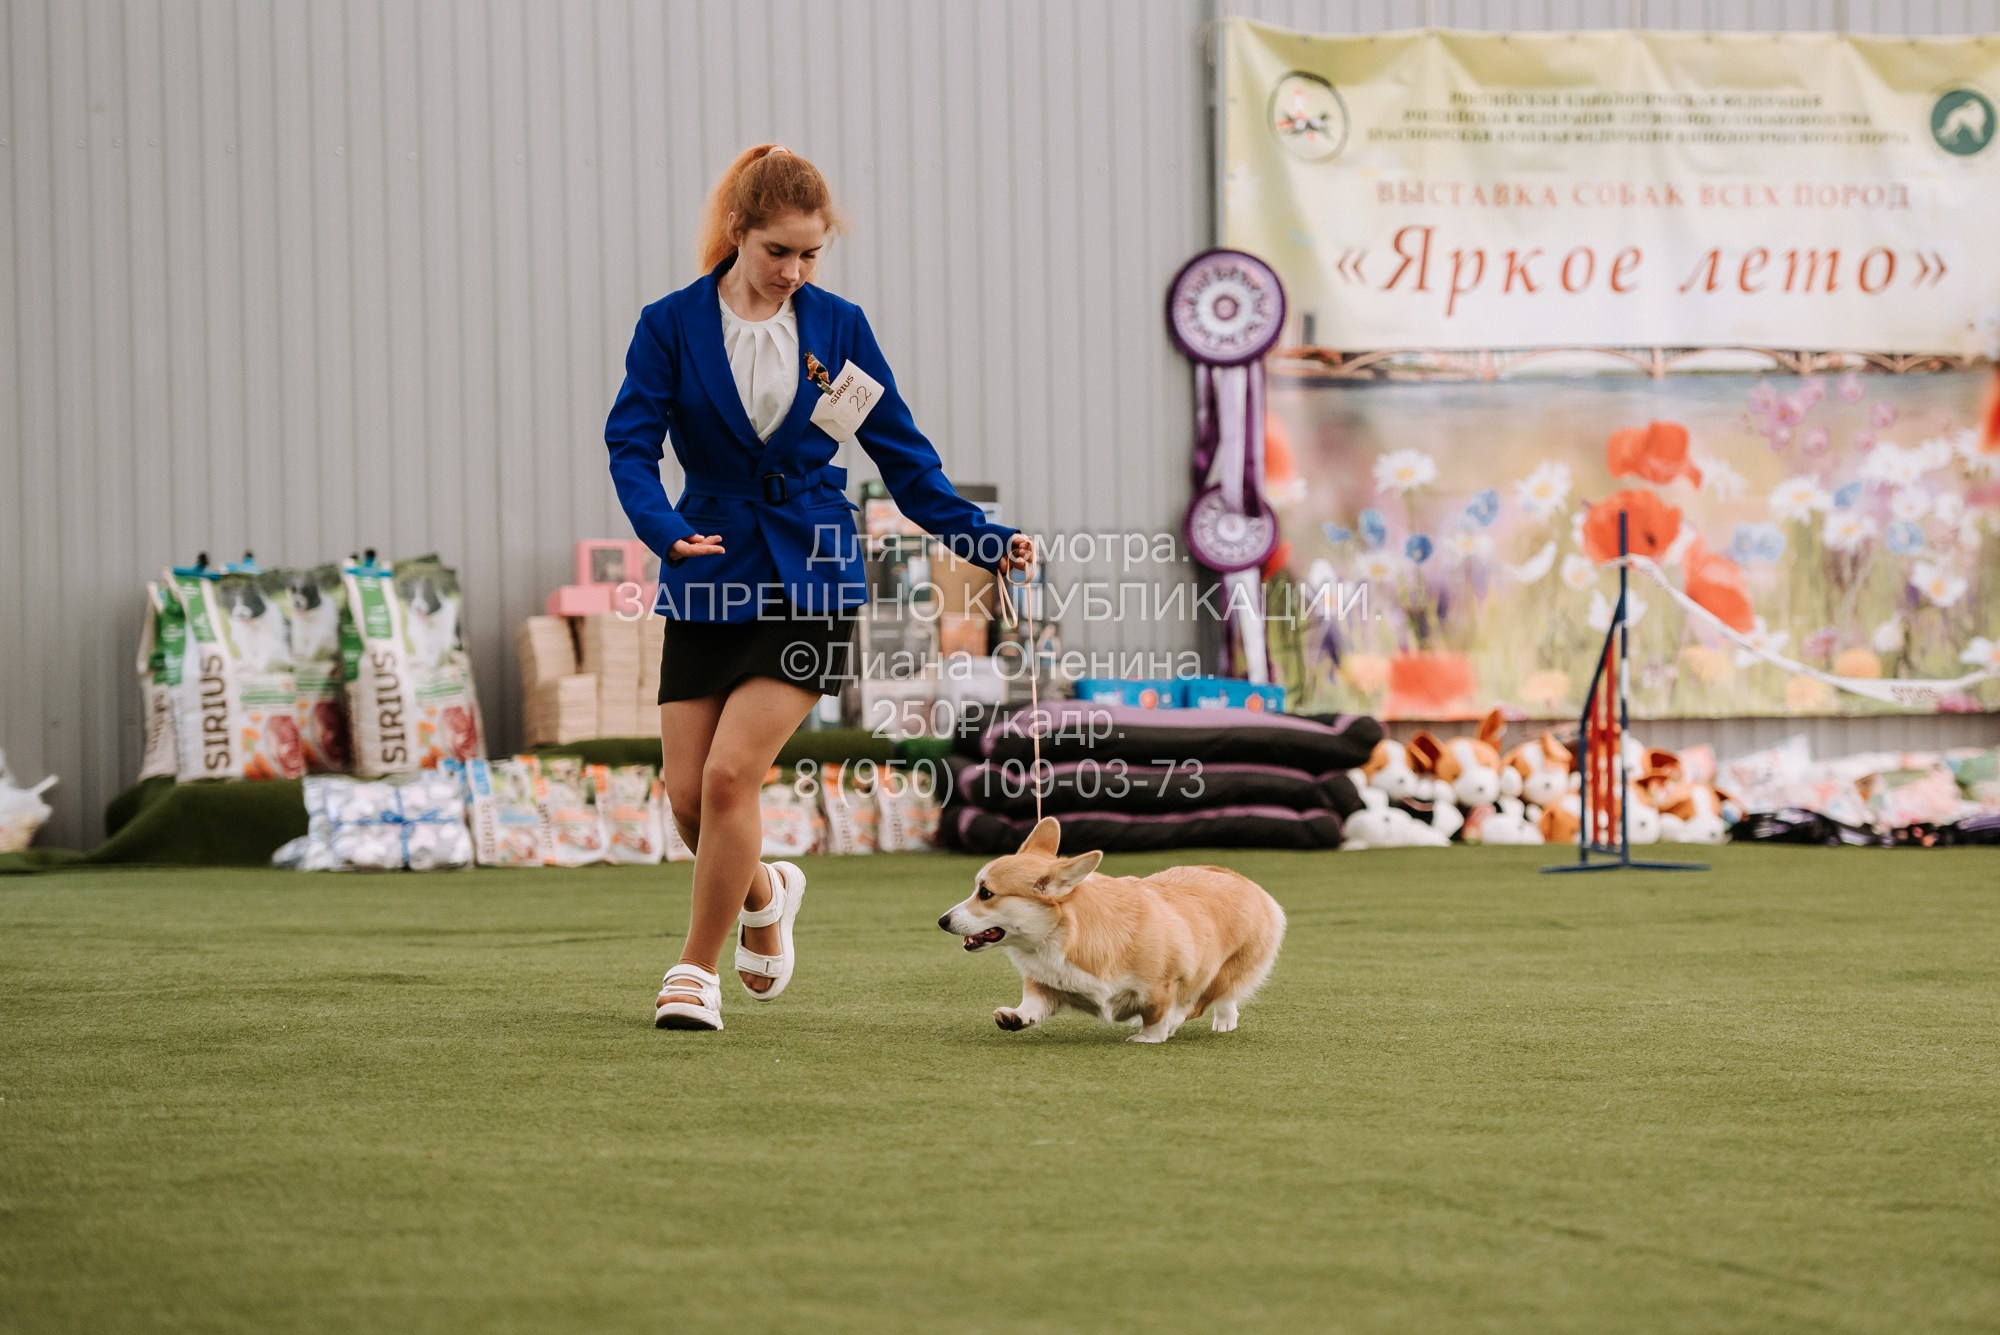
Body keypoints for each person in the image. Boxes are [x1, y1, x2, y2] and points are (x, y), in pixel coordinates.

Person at [605, 144, 1033, 1032]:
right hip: (707, 566)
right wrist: (662, 528)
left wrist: (985, 538)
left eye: (811, 254)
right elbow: (631, 445)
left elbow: (906, 462)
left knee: (732, 776)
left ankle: (694, 970)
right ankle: (766, 891)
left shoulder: (839, 327)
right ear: (738, 233)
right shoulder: (669, 324)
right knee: (688, 797)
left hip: (813, 574)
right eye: (779, 252)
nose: (795, 271)